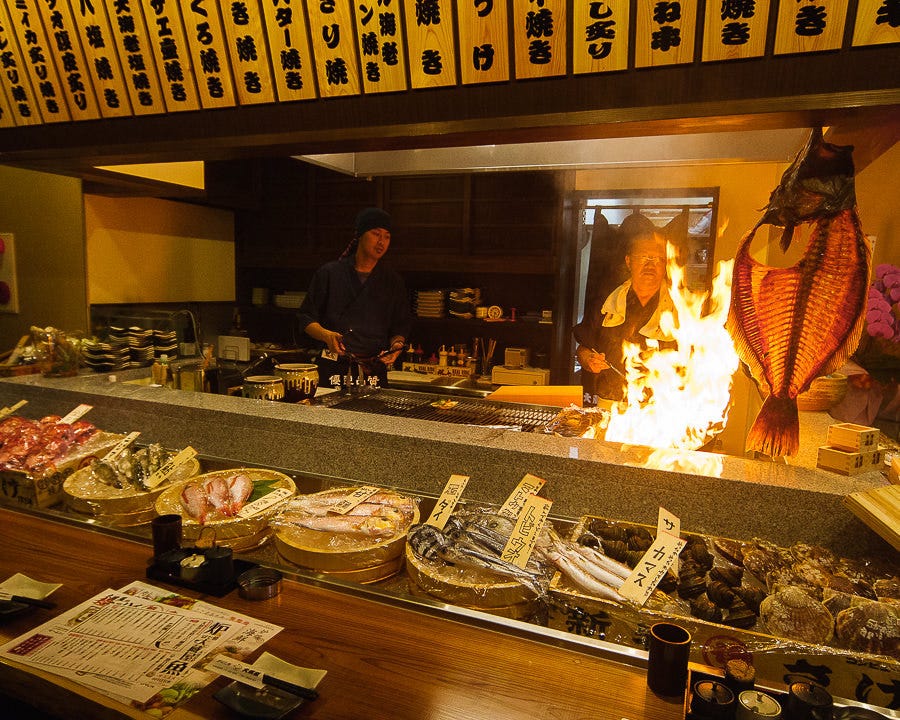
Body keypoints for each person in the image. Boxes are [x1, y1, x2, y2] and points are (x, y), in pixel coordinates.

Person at [298, 207, 412, 389]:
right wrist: (327, 336)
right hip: (333, 367)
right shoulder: (330, 273)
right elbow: (305, 319)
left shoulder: (392, 280)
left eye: (387, 236)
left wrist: (396, 347)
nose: (381, 241)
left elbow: (400, 326)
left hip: (373, 369)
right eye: (376, 234)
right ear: (359, 235)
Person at [573, 220, 677, 406]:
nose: (650, 265)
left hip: (662, 408)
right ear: (629, 261)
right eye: (643, 257)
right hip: (609, 403)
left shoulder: (682, 309)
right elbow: (583, 349)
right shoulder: (607, 302)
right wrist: (587, 359)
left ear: (666, 264)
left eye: (658, 259)